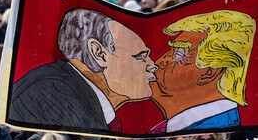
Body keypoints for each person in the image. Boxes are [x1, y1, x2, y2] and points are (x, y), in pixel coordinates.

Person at [10, 9, 158, 133]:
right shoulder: (51, 93)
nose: (153, 65)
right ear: (99, 53)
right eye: (141, 57)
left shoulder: (77, 94)